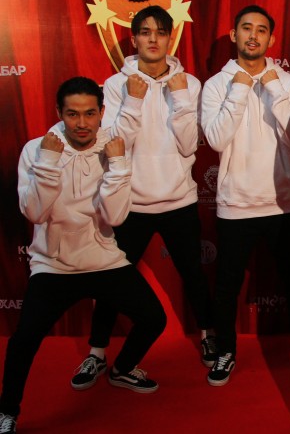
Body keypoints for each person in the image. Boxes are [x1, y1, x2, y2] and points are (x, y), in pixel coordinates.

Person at [0, 77, 166, 434]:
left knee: (154, 318)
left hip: (103, 259)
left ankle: (121, 370)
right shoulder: (37, 149)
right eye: (72, 114)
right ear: (59, 113)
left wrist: (118, 165)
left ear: (101, 112)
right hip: (53, 265)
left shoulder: (113, 147)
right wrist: (48, 162)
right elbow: (35, 213)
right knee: (23, 340)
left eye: (90, 113)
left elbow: (115, 217)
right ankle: (7, 412)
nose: (81, 123)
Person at [70, 6, 215, 392]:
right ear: (133, 39)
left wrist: (180, 97)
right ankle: (97, 352)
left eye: (161, 32)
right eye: (145, 32)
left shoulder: (190, 83)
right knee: (112, 279)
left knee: (194, 274)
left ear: (170, 38)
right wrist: (133, 100)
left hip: (179, 199)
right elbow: (116, 145)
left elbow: (189, 144)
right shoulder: (114, 85)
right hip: (129, 203)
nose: (153, 39)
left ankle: (208, 335)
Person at [200, 5, 290, 387]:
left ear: (271, 38)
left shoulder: (286, 81)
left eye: (261, 30)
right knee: (227, 285)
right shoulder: (217, 84)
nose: (253, 35)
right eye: (246, 28)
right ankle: (226, 350)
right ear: (235, 35)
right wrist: (240, 88)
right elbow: (216, 140)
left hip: (282, 200)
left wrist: (273, 88)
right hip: (236, 202)